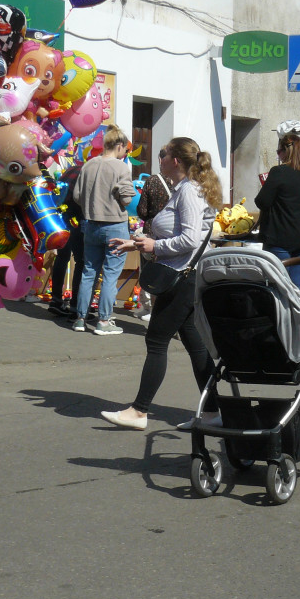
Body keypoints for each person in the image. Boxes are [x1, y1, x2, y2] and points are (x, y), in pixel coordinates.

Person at [101, 137, 223, 430]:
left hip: (182, 277)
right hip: (184, 275)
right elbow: (176, 235)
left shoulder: (189, 192)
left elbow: (191, 239)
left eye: (164, 154)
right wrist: (135, 244)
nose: (160, 158)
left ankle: (140, 411)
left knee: (156, 340)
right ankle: (213, 412)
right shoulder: (183, 189)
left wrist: (154, 246)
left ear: (176, 161)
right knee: (196, 345)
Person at [71, 125, 137, 335]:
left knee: (89, 271)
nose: (125, 153)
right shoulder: (120, 168)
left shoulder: (88, 165)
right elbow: (127, 199)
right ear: (119, 146)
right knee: (110, 274)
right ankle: (104, 321)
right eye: (125, 149)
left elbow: (77, 196)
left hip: (90, 224)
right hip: (114, 226)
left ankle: (80, 318)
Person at [255, 134, 300, 289]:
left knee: (279, 286)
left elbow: (261, 201)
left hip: (279, 240)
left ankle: (283, 314)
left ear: (285, 151)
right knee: (295, 286)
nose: (277, 154)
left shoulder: (279, 172)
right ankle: (298, 314)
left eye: (278, 150)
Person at [136, 154, 175, 321]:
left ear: (160, 159)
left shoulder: (152, 181)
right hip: (173, 232)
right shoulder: (182, 183)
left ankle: (151, 309)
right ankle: (164, 312)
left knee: (150, 271)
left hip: (152, 231)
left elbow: (142, 211)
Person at [47, 159, 85, 318]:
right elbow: (80, 197)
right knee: (81, 260)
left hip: (60, 215)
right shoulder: (86, 172)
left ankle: (56, 299)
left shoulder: (74, 169)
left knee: (62, 257)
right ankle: (76, 305)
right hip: (75, 217)